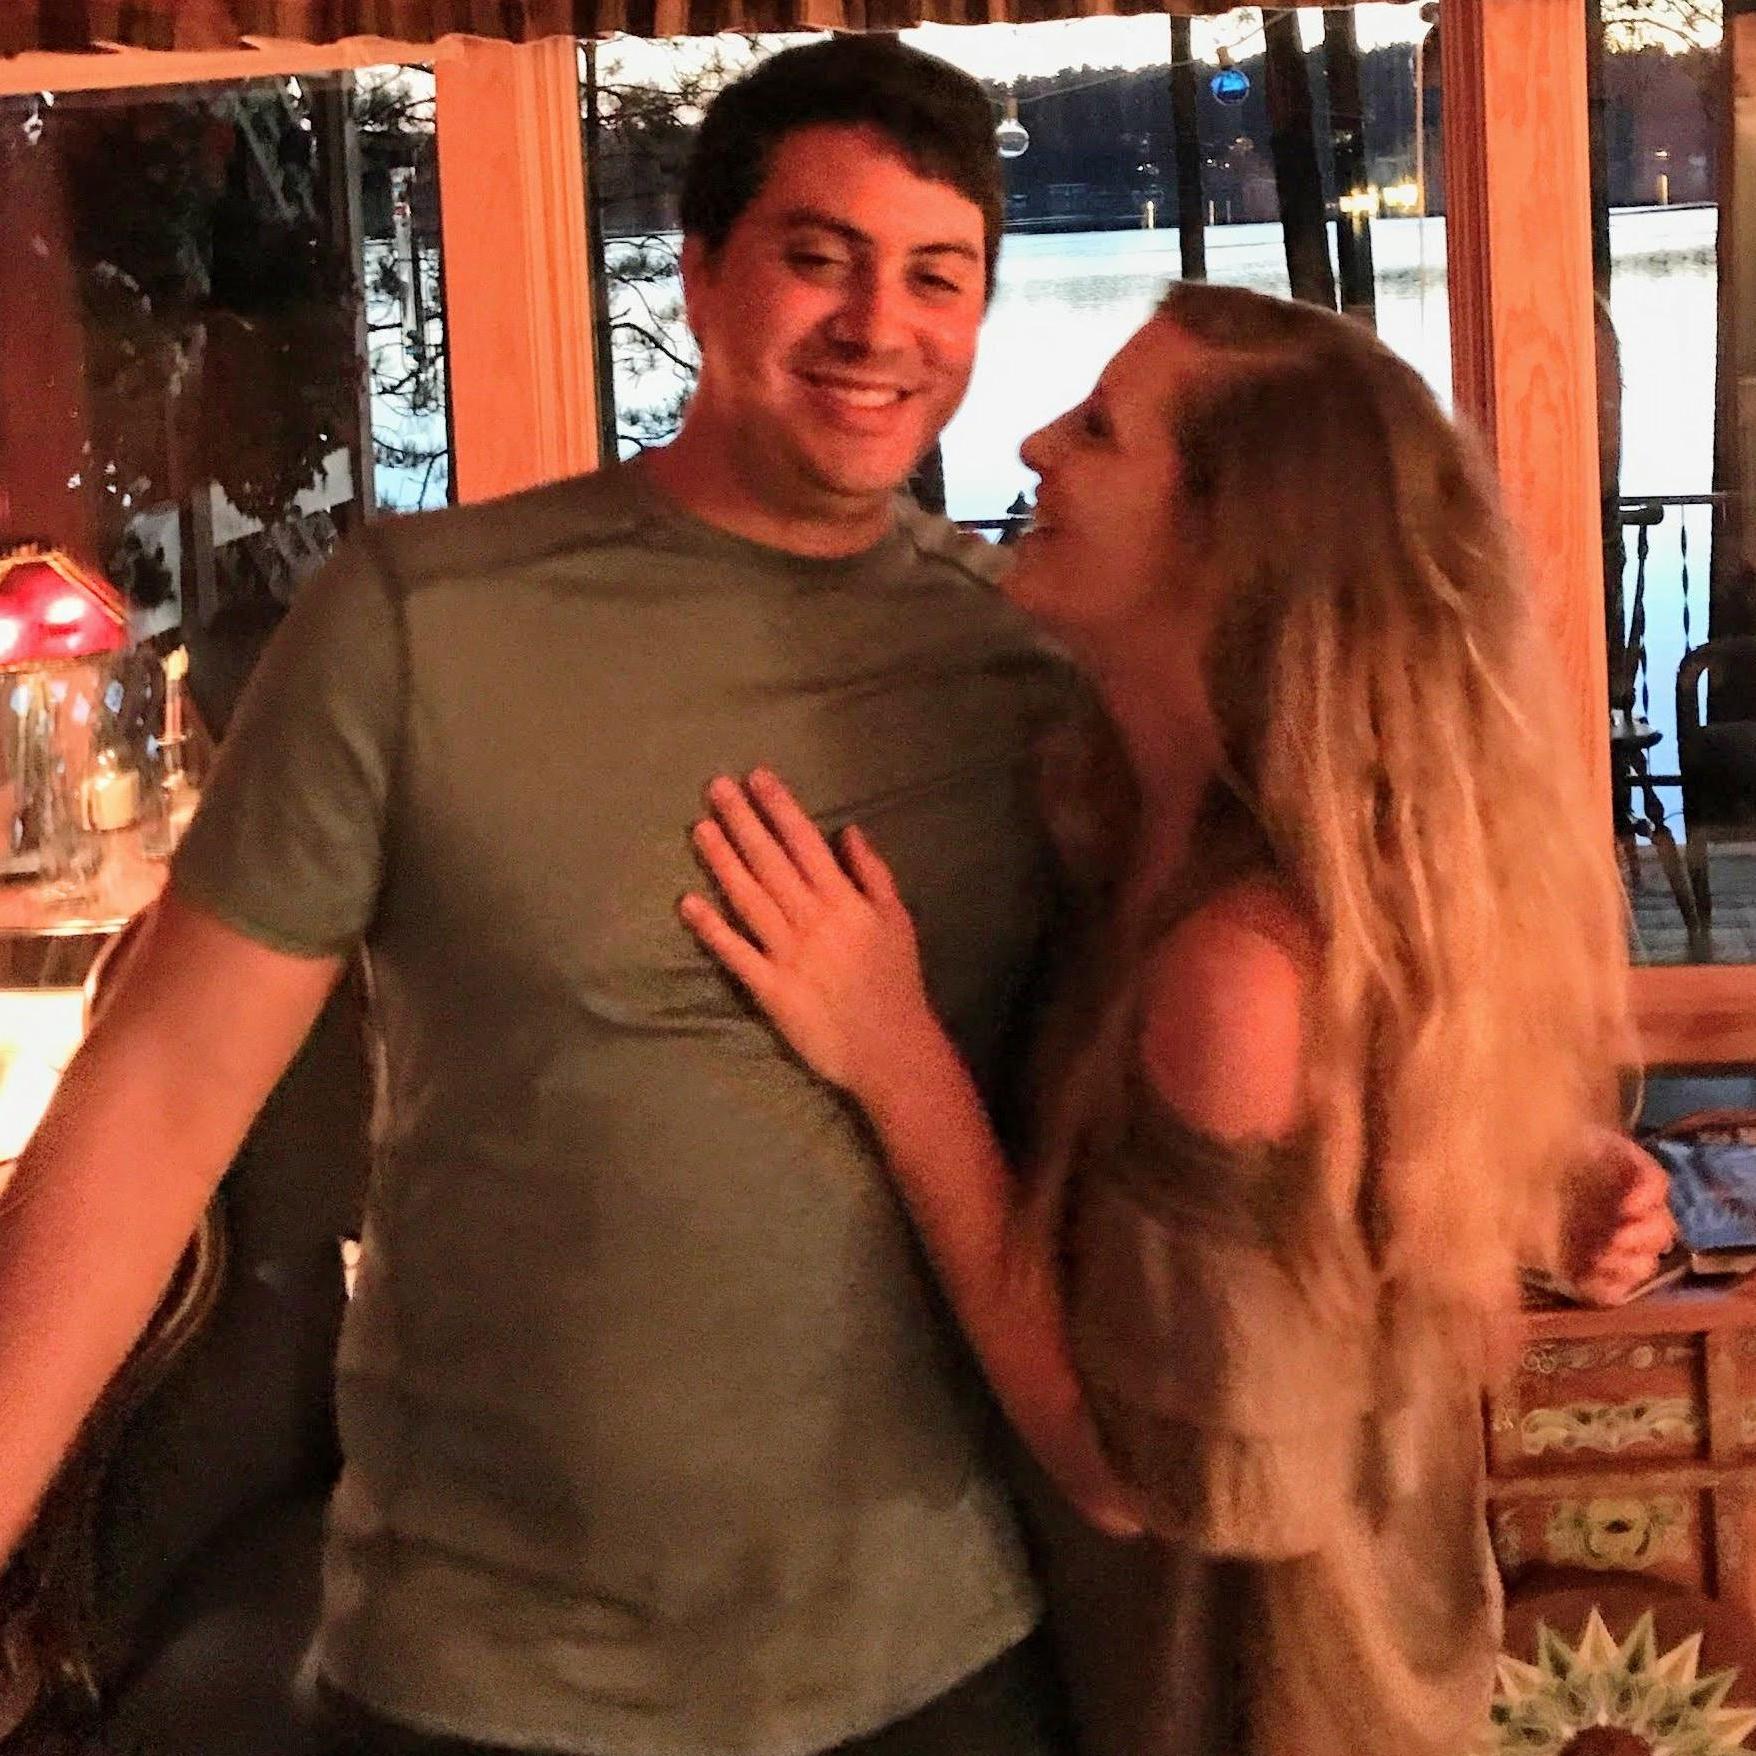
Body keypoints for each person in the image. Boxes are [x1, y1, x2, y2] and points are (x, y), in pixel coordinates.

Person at [0, 36, 1081, 1756]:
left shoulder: (1029, 665)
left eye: (937, 275)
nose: (881, 325)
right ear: (701, 275)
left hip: (938, 1659)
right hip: (484, 1683)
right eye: (819, 256)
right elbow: (158, 1103)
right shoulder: (421, 622)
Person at [678, 281, 1675, 1756]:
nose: (1033, 444)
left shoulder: (1240, 963)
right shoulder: (1142, 824)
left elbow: (1124, 1476)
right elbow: (1330, 1178)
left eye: (1098, 431)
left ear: (1226, 541)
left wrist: (892, 1056)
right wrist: (1536, 1176)